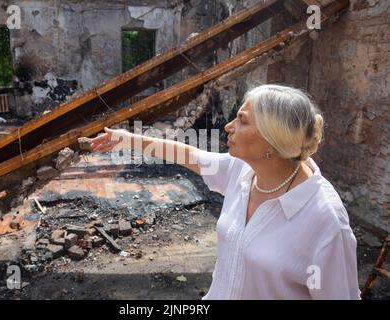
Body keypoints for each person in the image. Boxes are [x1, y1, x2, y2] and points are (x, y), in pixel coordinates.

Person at [89, 84, 361, 300]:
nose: (228, 126)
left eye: (242, 120)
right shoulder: (242, 171)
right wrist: (127, 139)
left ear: (272, 138)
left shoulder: (325, 221)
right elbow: (189, 154)